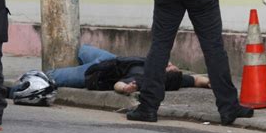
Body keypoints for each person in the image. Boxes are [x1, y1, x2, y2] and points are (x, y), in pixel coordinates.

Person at [46, 45, 210, 93]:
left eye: (169, 66)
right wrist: (212, 83)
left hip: (96, 72)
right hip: (111, 59)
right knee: (81, 49)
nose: (170, 63)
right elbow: (196, 79)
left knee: (51, 77)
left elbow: (119, 85)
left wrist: (127, 88)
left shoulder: (143, 77)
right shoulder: (158, 66)